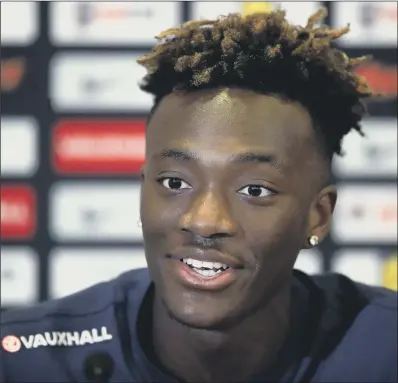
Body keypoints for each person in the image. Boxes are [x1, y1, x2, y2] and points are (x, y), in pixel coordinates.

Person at [1, 8, 397, 383]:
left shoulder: (383, 352)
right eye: (174, 183)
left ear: (318, 216)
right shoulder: (25, 362)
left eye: (254, 190)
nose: (204, 220)